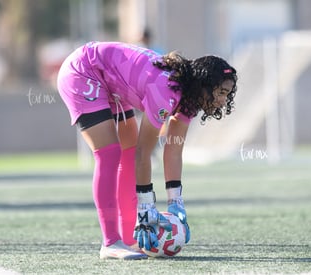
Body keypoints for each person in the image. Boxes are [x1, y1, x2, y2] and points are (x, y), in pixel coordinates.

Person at [57, 41, 237, 260]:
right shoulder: (165, 91)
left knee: (128, 151)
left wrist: (175, 202)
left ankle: (127, 239)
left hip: (110, 81)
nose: (223, 100)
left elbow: (173, 150)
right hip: (84, 70)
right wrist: (146, 206)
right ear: (205, 85)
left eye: (227, 94)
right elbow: (145, 152)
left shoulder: (190, 97)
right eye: (221, 92)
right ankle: (110, 243)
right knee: (110, 153)